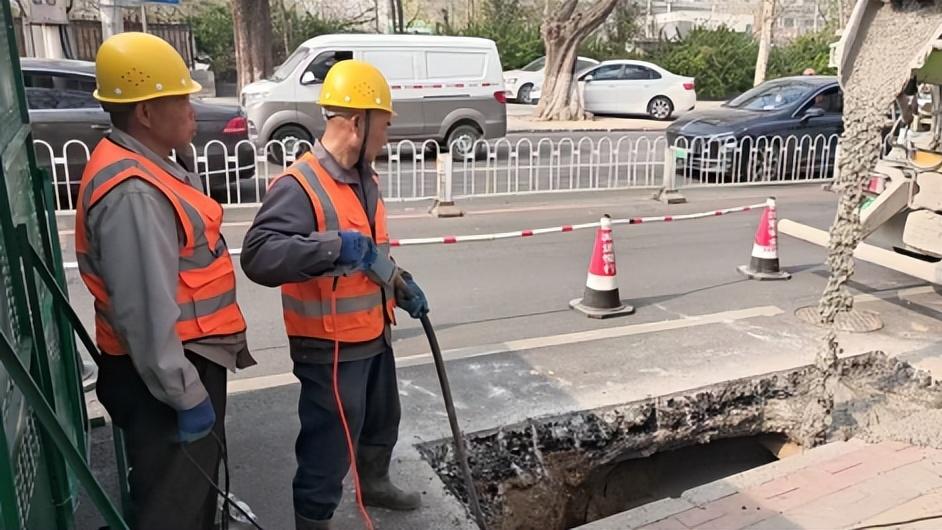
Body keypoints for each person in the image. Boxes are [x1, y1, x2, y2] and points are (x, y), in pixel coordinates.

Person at [75, 32, 254, 529]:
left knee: (191, 497)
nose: (193, 109)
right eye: (181, 99)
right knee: (171, 510)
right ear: (145, 114)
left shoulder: (152, 168)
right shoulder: (134, 192)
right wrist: (185, 394)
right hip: (165, 377)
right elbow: (145, 313)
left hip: (176, 366)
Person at [241, 60, 428, 530]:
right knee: (329, 445)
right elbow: (259, 256)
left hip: (373, 333)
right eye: (383, 126)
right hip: (330, 346)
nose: (386, 138)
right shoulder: (299, 185)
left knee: (382, 422)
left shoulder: (366, 178)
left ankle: (376, 485)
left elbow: (368, 252)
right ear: (357, 122)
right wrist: (330, 247)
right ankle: (313, 521)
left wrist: (399, 282)